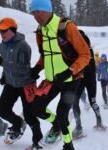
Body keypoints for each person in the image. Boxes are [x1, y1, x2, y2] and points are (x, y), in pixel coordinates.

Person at [29, 0, 91, 149]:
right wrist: (36, 68)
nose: (36, 16)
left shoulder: (66, 26)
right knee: (36, 108)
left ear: (48, 10)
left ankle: (68, 145)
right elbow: (46, 55)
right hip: (52, 81)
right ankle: (56, 125)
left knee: (62, 114)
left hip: (71, 80)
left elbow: (85, 54)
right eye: (33, 12)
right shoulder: (40, 30)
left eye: (39, 11)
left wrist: (69, 71)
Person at [0, 17, 43, 147]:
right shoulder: (1, 46)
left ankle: (37, 142)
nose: (2, 33)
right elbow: (8, 64)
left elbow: (23, 69)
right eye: (0, 31)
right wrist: (4, 75)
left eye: (4, 30)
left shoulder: (23, 46)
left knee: (30, 115)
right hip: (11, 83)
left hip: (25, 84)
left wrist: (2, 63)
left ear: (13, 30)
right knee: (2, 110)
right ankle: (17, 124)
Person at [72, 30, 107, 139]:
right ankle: (96, 123)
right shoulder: (87, 47)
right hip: (87, 79)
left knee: (78, 102)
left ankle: (80, 127)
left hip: (84, 78)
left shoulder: (80, 48)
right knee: (90, 102)